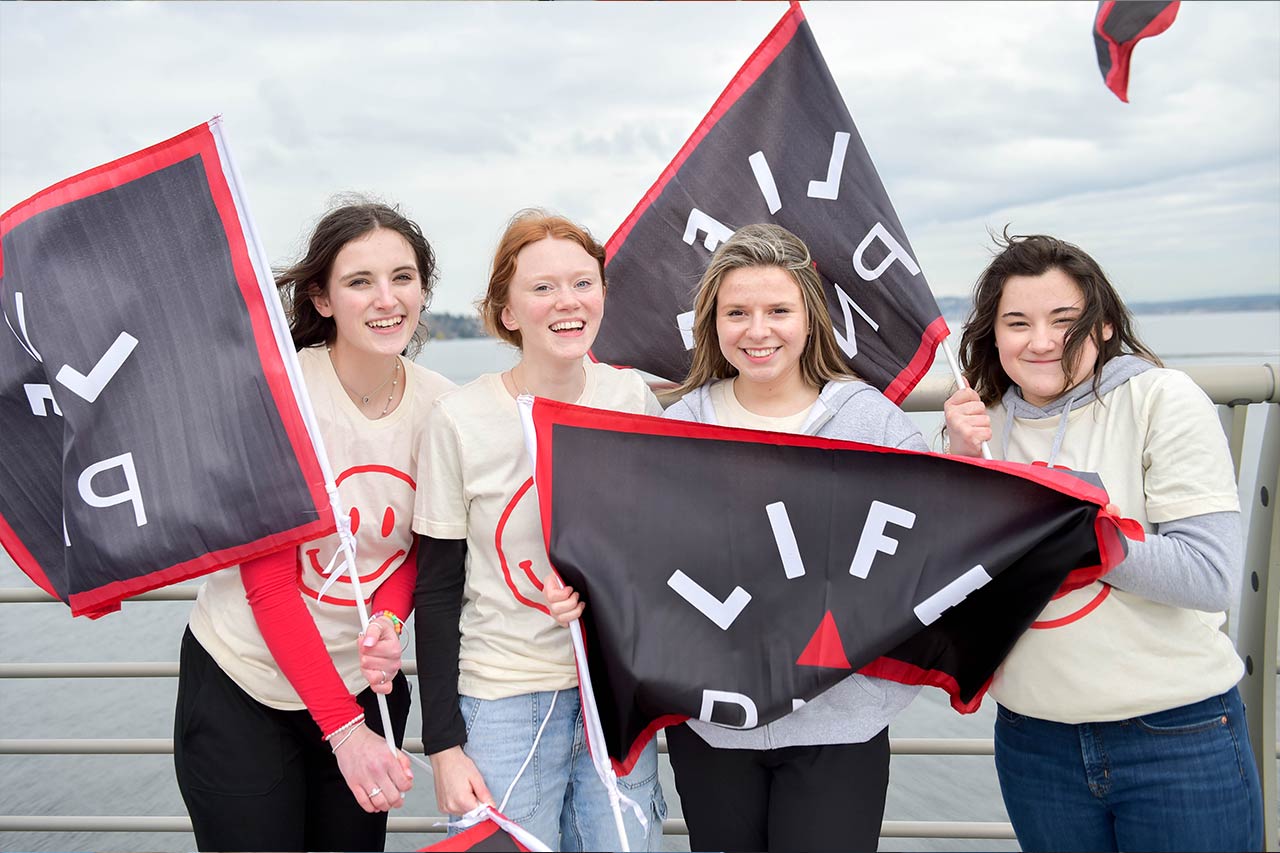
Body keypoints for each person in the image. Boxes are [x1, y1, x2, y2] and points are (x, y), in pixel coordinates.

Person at [547, 223, 928, 853]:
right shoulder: (680, 426)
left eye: (779, 310)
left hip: (840, 725)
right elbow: (637, 556)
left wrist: (967, 460)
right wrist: (581, 589)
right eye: (737, 313)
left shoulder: (869, 422)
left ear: (811, 317)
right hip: (713, 726)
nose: (758, 330)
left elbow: (927, 547)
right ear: (712, 323)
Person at [942, 231, 1263, 852]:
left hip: (1174, 733)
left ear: (1105, 324)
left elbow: (1209, 574)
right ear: (992, 334)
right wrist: (959, 466)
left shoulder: (1162, 401)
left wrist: (1071, 530)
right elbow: (952, 591)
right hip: (1036, 738)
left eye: (1066, 320)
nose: (1041, 342)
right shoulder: (981, 428)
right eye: (1018, 323)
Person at [174, 202, 454, 851]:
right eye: (360, 281)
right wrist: (345, 731)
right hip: (245, 684)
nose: (386, 298)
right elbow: (268, 584)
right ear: (323, 299)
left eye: (402, 277)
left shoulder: (442, 406)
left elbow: (418, 544)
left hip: (362, 687)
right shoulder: (278, 395)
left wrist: (387, 622)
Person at [413, 209, 667, 851]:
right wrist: (442, 745)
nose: (568, 302)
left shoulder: (632, 400)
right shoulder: (459, 420)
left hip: (614, 688)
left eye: (584, 283)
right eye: (543, 287)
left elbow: (661, 546)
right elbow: (438, 591)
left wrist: (603, 589)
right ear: (506, 311)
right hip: (505, 693)